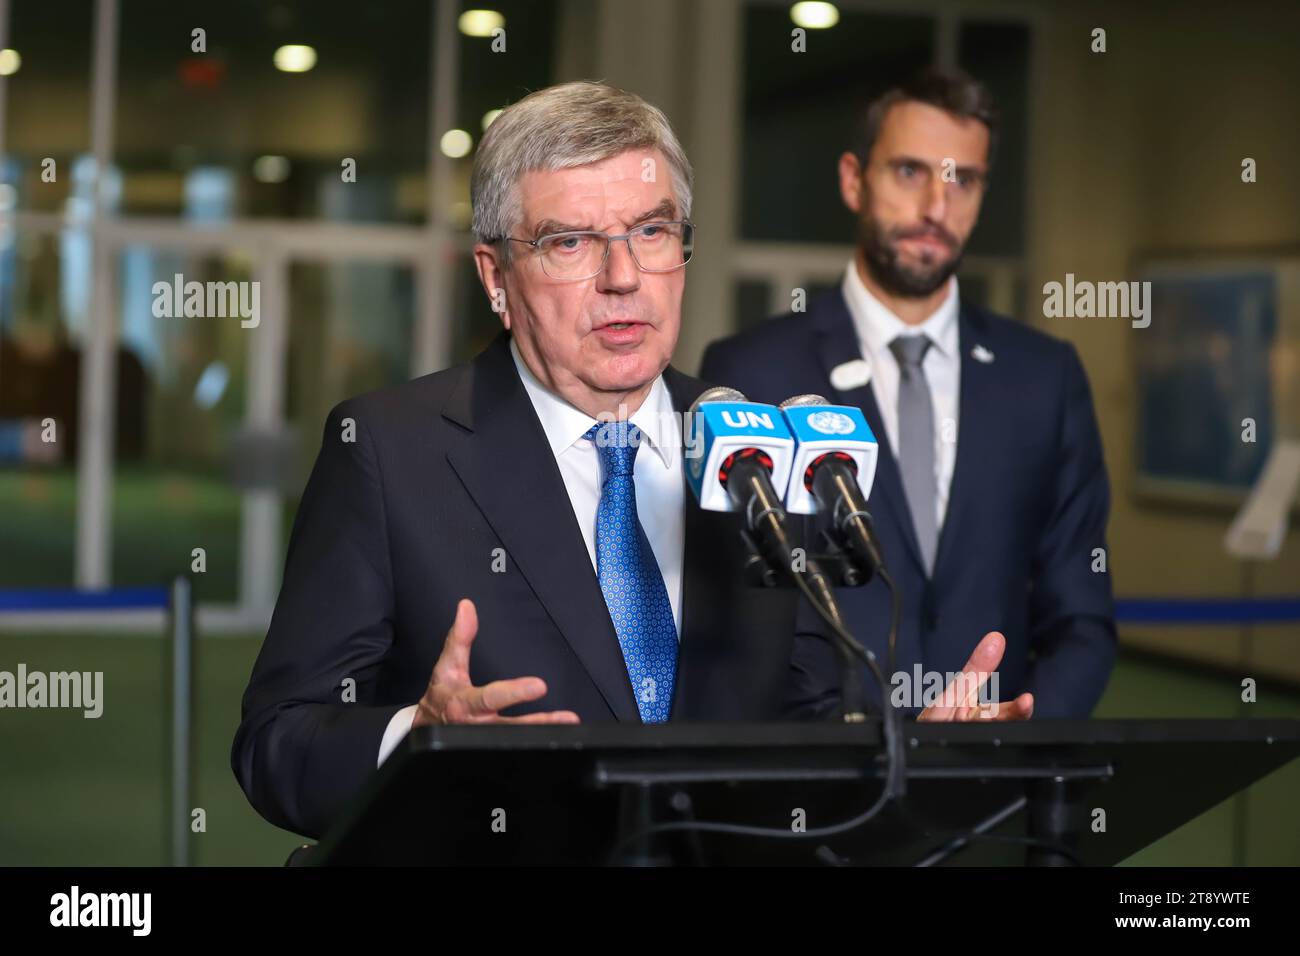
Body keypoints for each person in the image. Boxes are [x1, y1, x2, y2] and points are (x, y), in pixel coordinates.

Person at [233, 80, 1033, 840]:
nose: (623, 279)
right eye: (571, 241)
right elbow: (276, 745)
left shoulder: (755, 446)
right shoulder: (388, 452)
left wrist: (912, 756)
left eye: (651, 233)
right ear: (496, 277)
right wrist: (419, 739)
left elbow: (801, 734)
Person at [701, 68, 1116, 719]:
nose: (936, 207)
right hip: (817, 791)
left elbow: (1082, 617)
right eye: (909, 171)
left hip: (993, 790)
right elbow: (734, 623)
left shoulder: (1045, 378)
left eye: (964, 180)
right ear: (852, 180)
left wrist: (1020, 733)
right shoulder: (751, 372)